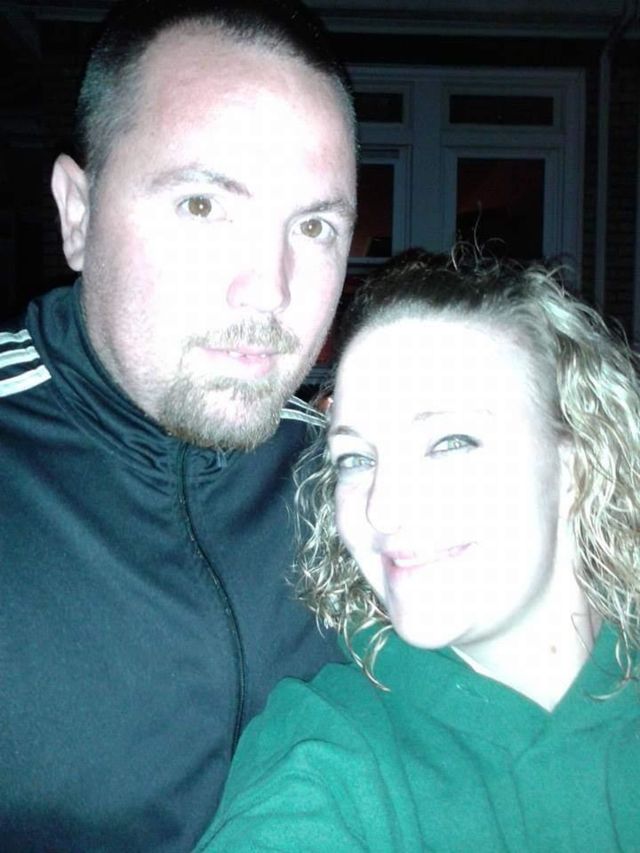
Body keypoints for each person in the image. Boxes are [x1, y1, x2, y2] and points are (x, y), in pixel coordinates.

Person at [0, 1, 356, 850]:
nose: (269, 290)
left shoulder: (356, 477)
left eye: (314, 226)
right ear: (77, 212)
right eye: (202, 205)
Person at [197, 249, 640, 851]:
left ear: (577, 468)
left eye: (449, 442)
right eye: (355, 458)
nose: (382, 509)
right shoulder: (328, 755)